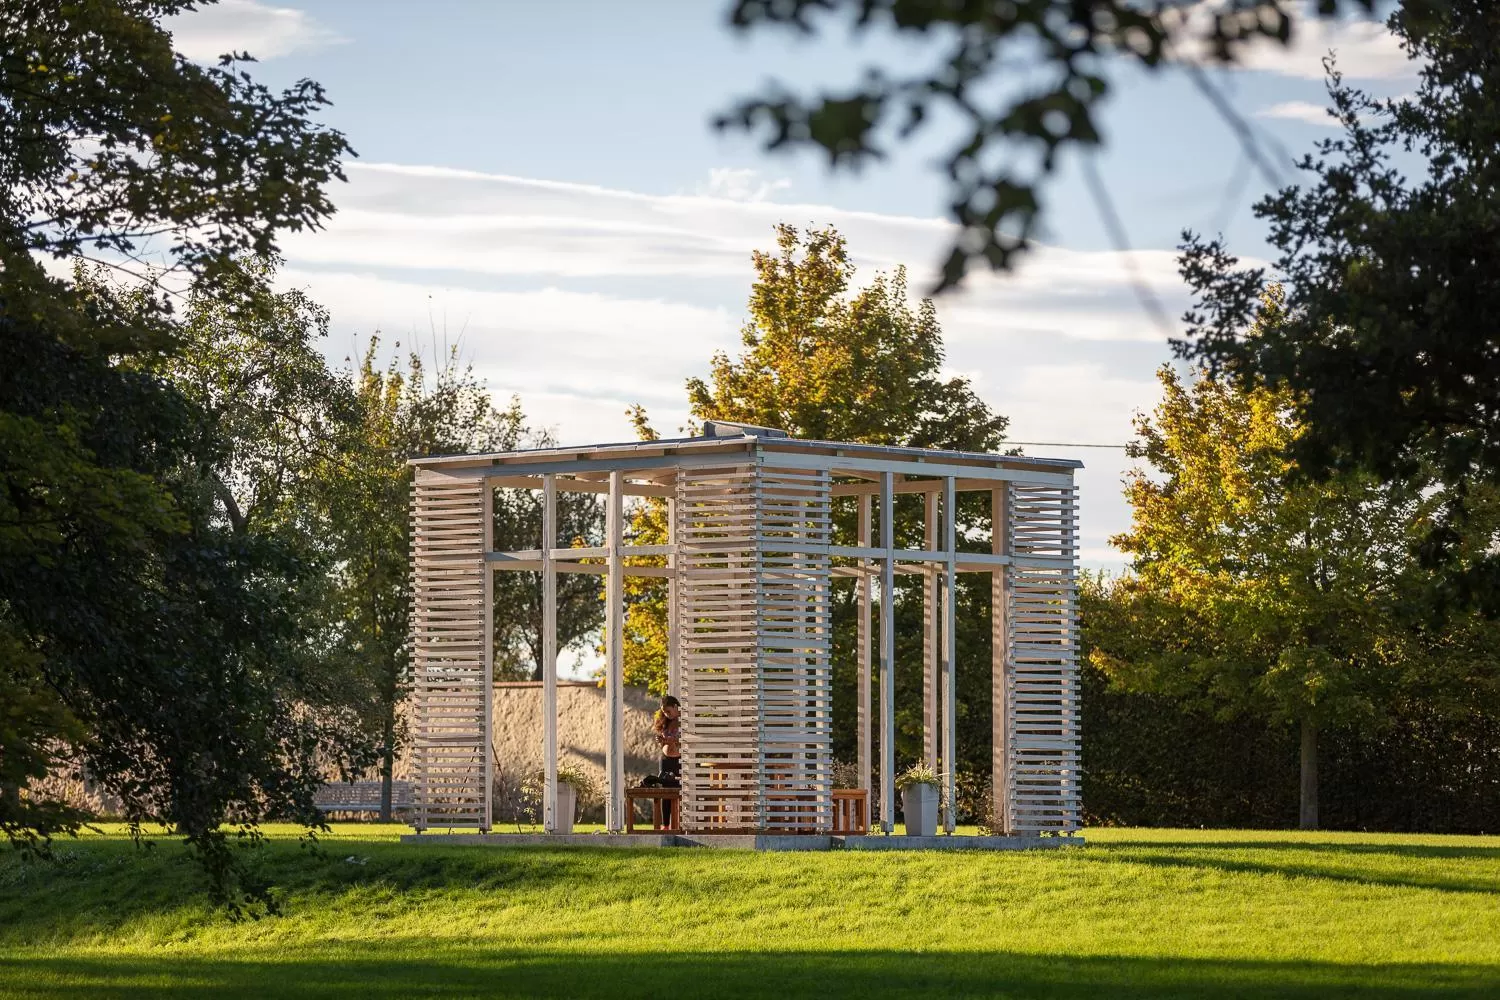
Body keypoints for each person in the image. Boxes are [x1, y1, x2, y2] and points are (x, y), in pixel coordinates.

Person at [653, 695, 682, 828]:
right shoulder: (665, 721)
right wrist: (661, 741)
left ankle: (679, 823)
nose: (666, 714)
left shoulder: (684, 720)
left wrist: (674, 740)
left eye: (668, 711)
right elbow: (663, 740)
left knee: (679, 790)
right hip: (666, 759)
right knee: (665, 791)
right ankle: (665, 825)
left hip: (680, 760)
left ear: (676, 707)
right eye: (664, 712)